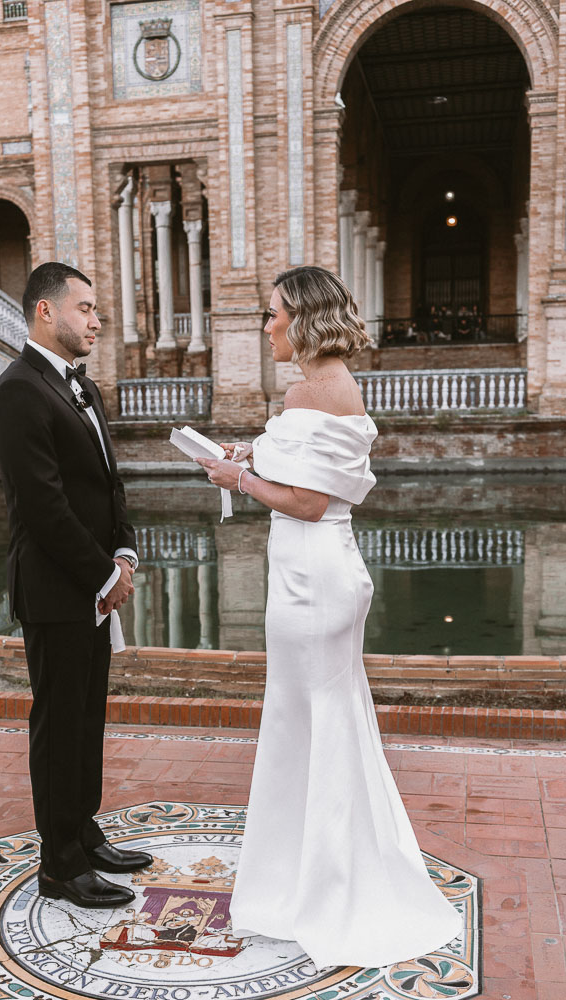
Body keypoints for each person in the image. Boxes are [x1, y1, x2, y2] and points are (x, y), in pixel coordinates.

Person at [196, 266, 462, 969]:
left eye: (273, 313)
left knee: (307, 721)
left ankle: (325, 883)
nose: (265, 326)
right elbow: (308, 468)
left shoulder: (321, 387)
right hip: (312, 571)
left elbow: (311, 503)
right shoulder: (316, 387)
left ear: (303, 319)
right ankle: (307, 869)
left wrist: (239, 480)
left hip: (312, 575)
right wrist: (254, 453)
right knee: (314, 721)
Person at [0, 261, 152, 908]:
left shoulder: (84, 388)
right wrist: (105, 576)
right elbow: (44, 506)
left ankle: (83, 832)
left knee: (87, 718)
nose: (97, 319)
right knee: (58, 725)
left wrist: (125, 549)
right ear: (45, 312)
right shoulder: (17, 392)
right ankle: (58, 864)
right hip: (56, 590)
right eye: (84, 307)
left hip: (95, 581)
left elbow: (108, 484)